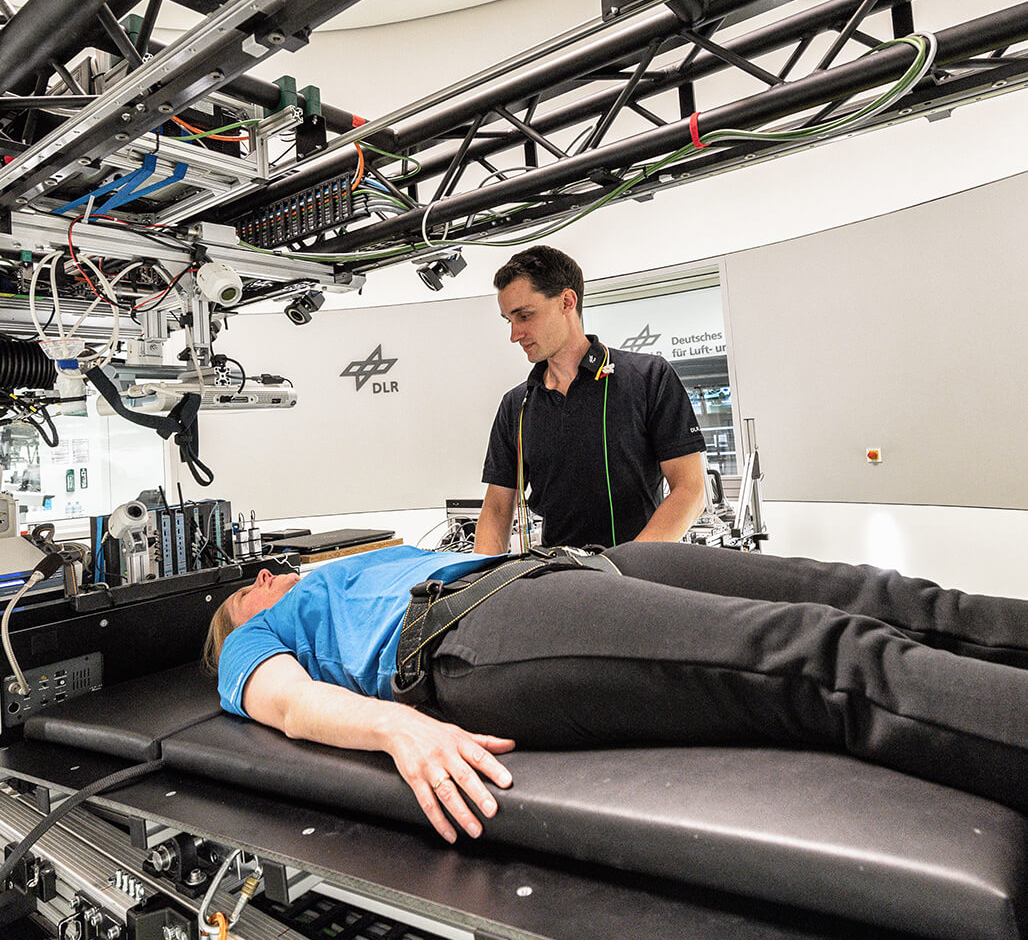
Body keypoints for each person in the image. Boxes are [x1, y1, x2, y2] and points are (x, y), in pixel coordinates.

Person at [206, 544, 1028, 844]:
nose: (267, 579)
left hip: (576, 563)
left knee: (873, 593)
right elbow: (287, 703)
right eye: (248, 589)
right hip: (479, 631)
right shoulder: (252, 640)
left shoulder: (344, 565)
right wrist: (397, 728)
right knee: (825, 656)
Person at [476, 247, 707, 552]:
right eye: (509, 320)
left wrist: (628, 569)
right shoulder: (516, 405)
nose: (515, 334)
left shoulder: (648, 377)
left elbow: (690, 490)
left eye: (525, 316)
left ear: (567, 302)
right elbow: (496, 510)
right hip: (560, 579)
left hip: (640, 577)